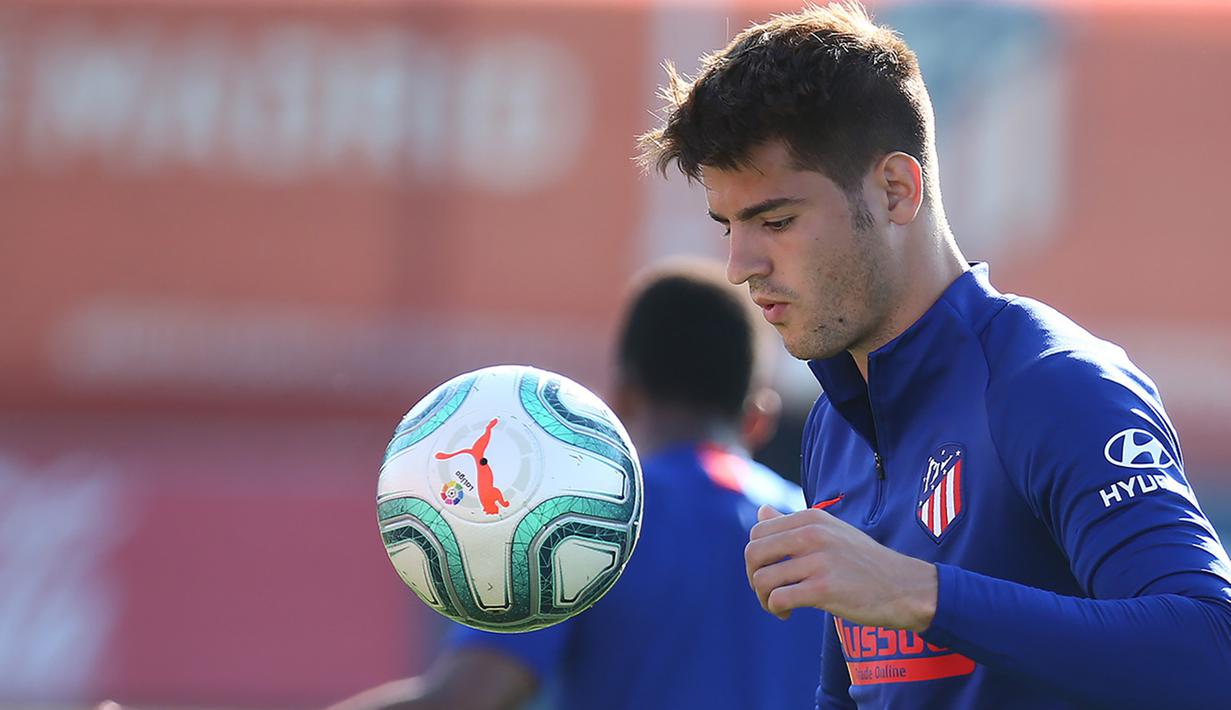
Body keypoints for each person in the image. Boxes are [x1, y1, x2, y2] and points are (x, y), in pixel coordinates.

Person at [637, 3, 1231, 709]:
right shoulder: (835, 423)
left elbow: (1211, 648)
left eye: (776, 220)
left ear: (896, 190)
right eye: (729, 224)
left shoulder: (1052, 384)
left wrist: (914, 590)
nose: (739, 264)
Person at [327, 261, 824, 710]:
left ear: (622, 398)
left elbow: (472, 697)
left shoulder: (586, 513)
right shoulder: (820, 532)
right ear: (760, 419)